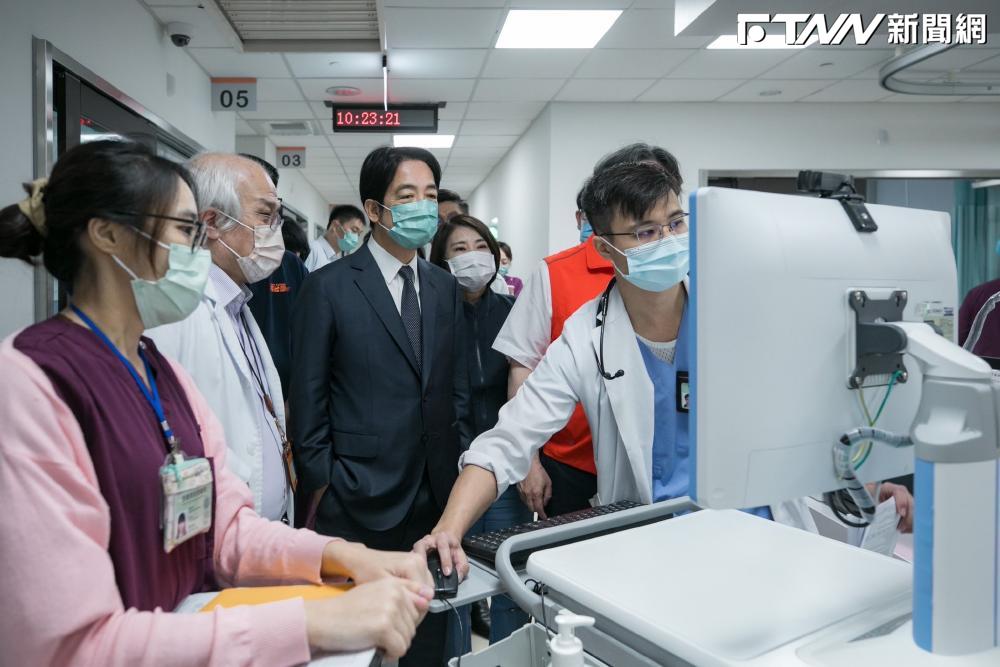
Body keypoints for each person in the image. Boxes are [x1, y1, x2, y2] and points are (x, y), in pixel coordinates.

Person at [0, 139, 433, 665]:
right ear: (108, 235)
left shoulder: (161, 374)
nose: (199, 248)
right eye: (186, 230)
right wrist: (311, 622)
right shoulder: (30, 383)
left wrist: (344, 556)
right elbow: (71, 645)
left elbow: (224, 531)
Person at [416, 156, 914, 579]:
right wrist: (448, 530)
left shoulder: (738, 306)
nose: (668, 240)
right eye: (646, 232)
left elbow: (810, 406)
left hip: (761, 534)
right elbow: (506, 442)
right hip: (654, 547)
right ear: (605, 248)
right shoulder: (586, 337)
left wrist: (866, 478)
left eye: (676, 223)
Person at [290, 145, 473, 666]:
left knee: (427, 638)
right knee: (357, 646)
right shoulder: (328, 287)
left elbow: (455, 386)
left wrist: (458, 468)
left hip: (435, 498)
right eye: (407, 196)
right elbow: (308, 397)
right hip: (356, 496)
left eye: (430, 195)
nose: (423, 206)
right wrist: (324, 483)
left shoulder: (443, 286)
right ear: (374, 209)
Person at [147, 153, 292, 522]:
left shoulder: (236, 303)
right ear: (211, 222)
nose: (274, 230)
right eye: (265, 215)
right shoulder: (176, 312)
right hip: (212, 528)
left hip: (254, 529)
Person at [429, 215, 532, 651]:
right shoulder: (432, 314)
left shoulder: (511, 311)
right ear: (441, 260)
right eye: (459, 249)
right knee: (453, 577)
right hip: (449, 470)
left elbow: (527, 390)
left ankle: (508, 656)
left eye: (480, 246)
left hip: (505, 468)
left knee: (509, 576)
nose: (472, 256)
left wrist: (531, 461)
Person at [239, 158, 311, 398]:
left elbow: (309, 332)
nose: (269, 223)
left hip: (286, 394)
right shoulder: (209, 275)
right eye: (261, 211)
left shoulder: (289, 265)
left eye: (273, 212)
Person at [305, 204, 366, 272]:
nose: (356, 238)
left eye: (359, 234)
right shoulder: (312, 250)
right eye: (354, 230)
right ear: (335, 226)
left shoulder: (336, 259)